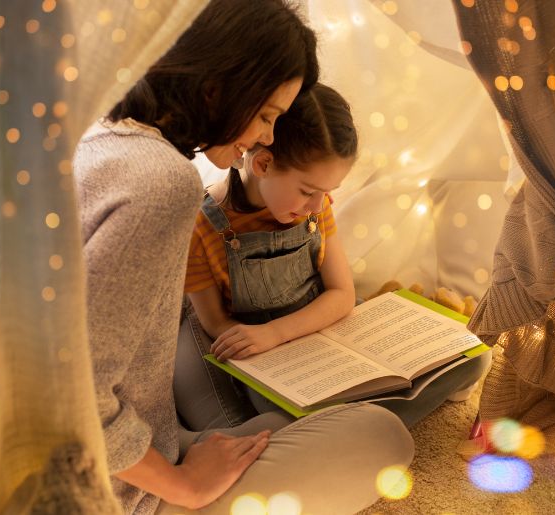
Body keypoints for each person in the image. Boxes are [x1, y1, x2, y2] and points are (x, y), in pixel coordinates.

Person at [74, 1, 413, 514]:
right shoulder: (163, 184)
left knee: (277, 427)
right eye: (266, 116)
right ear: (218, 87)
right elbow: (75, 398)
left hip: (128, 450)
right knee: (383, 437)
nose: (267, 137)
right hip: (108, 492)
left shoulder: (100, 136)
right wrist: (185, 487)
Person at [176, 83, 491, 432]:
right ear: (263, 163)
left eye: (326, 193)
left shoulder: (315, 207)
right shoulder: (202, 226)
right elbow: (215, 323)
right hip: (267, 354)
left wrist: (283, 332)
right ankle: (359, 426)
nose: (318, 205)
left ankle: (350, 427)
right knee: (273, 412)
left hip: (324, 330)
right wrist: (268, 338)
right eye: (308, 191)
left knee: (473, 358)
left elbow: (341, 294)